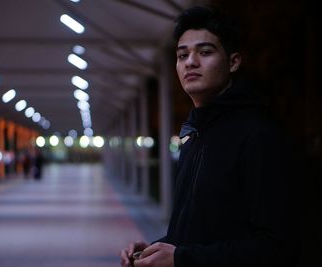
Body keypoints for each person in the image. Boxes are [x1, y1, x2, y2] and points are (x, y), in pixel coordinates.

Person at [120, 5, 299, 267]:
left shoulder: (258, 135)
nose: (191, 62)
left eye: (205, 52)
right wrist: (156, 250)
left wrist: (181, 258)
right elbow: (199, 232)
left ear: (233, 62)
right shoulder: (193, 137)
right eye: (182, 55)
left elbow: (275, 247)